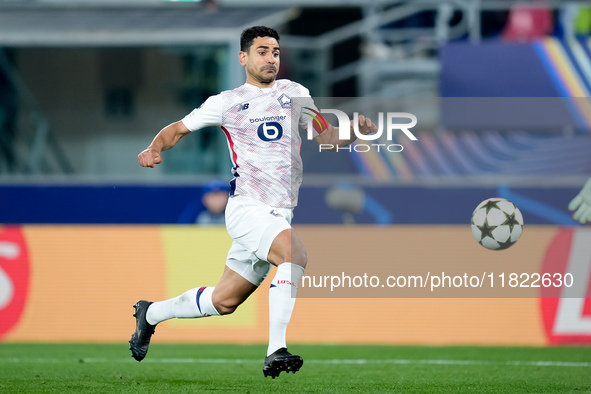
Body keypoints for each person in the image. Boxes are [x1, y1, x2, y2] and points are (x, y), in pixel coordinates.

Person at [130, 25, 377, 379]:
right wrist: (154, 147)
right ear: (244, 57)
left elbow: (328, 137)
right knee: (294, 255)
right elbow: (177, 130)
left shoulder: (296, 94)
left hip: (280, 213)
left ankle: (150, 313)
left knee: (224, 301)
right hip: (248, 208)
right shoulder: (226, 103)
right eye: (262, 51)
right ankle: (276, 349)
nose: (271, 58)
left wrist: (355, 130)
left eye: (275, 52)